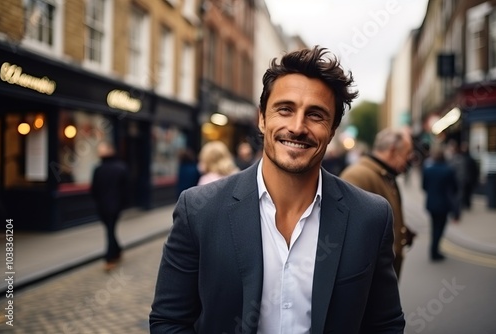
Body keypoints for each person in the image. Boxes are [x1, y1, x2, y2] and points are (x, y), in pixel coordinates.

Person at [150, 46, 405, 333]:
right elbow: (169, 321)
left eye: (316, 115)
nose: (297, 127)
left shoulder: (370, 216)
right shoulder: (198, 209)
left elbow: (385, 324)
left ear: (332, 130)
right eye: (285, 109)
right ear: (262, 118)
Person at [340, 128, 416, 279]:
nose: (408, 159)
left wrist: (402, 230)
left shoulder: (385, 174)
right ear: (393, 151)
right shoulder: (357, 176)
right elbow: (349, 237)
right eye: (407, 154)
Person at [90, 141, 129, 272]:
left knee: (109, 230)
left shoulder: (98, 169)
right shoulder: (121, 167)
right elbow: (126, 189)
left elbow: (94, 190)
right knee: (110, 230)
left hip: (103, 206)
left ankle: (109, 258)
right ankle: (117, 250)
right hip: (115, 206)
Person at [422, 146, 459, 261]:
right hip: (444, 203)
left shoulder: (428, 169)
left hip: (431, 203)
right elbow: (454, 188)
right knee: (440, 228)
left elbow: (424, 186)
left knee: (434, 227)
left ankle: (434, 250)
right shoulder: (448, 170)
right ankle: (435, 251)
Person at [448, 141, 479, 212]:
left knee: (465, 193)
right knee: (463, 193)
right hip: (464, 179)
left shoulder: (464, 159)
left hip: (466, 179)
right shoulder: (460, 158)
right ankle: (464, 205)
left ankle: (465, 205)